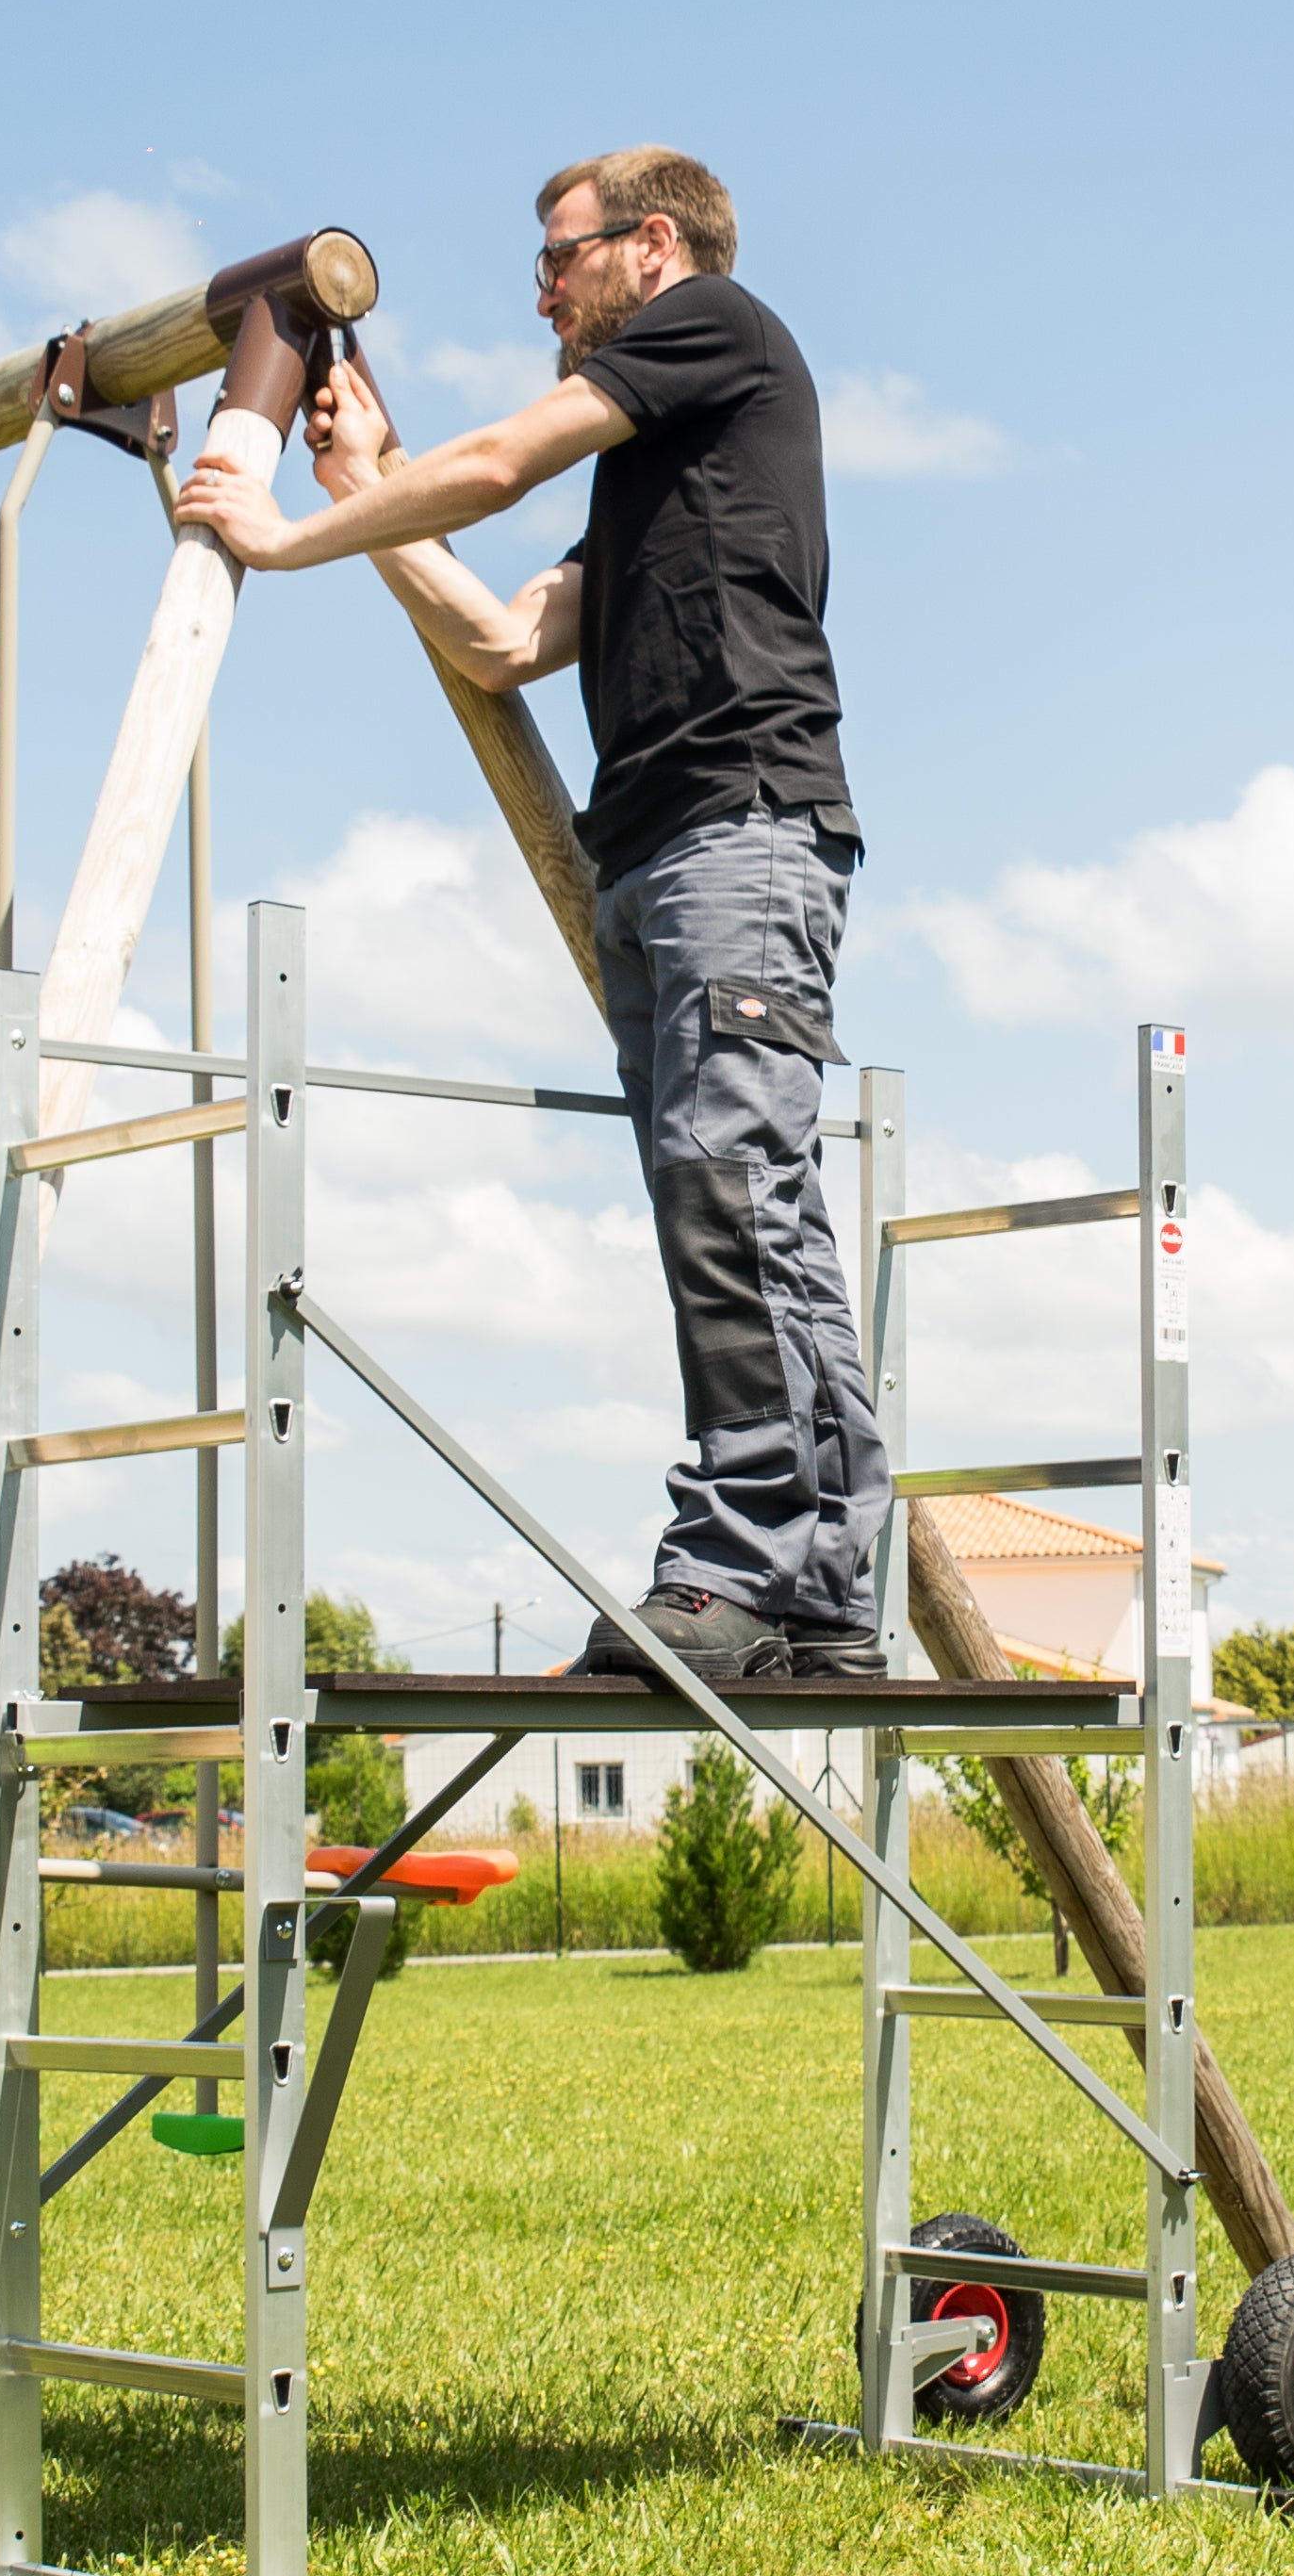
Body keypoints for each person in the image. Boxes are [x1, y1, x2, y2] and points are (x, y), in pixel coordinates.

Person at [164, 148, 885, 1682]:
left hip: (735, 835)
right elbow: (499, 640)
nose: (544, 292)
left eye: (558, 258)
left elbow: (496, 460)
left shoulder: (720, 330)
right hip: (666, 855)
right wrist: (359, 489)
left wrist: (283, 536)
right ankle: (818, 1593)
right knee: (744, 1208)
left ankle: (740, 1562)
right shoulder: (663, 471)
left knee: (728, 1184)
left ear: (655, 247)